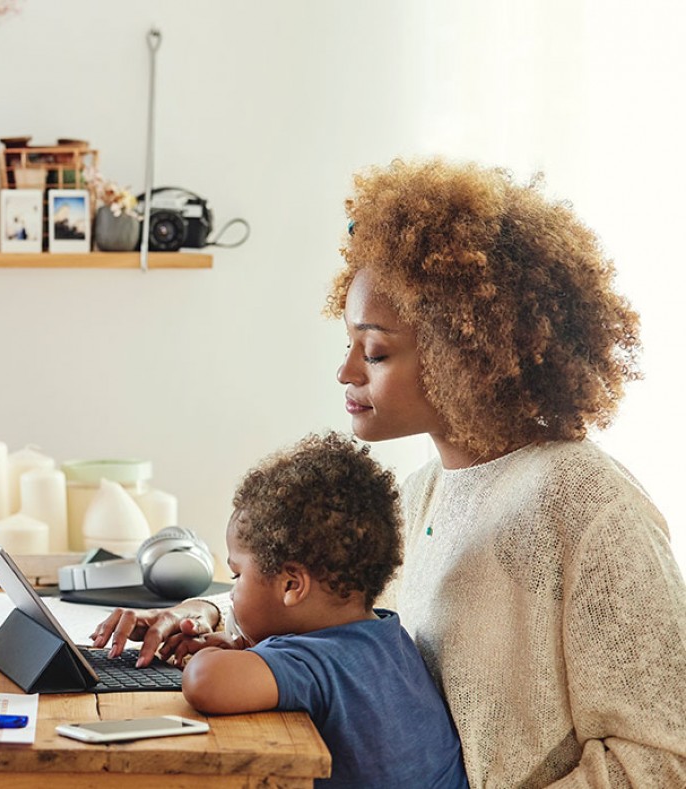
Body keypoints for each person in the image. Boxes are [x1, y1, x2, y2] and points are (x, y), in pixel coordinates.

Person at [92, 158, 686, 786]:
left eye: (374, 351)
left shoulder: (585, 503)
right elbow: (324, 609)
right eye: (349, 344)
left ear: (470, 353)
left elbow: (663, 758)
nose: (346, 372)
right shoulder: (425, 493)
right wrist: (202, 617)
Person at [182, 431, 467, 788]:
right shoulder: (391, 640)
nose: (233, 589)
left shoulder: (313, 659)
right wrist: (254, 657)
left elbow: (204, 681)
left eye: (236, 574)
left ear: (291, 585)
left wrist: (213, 655)